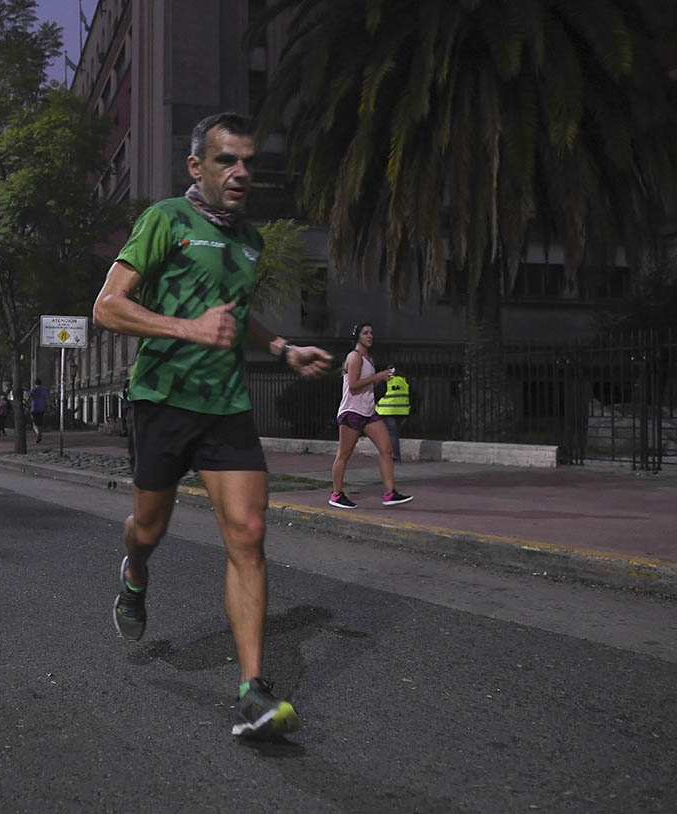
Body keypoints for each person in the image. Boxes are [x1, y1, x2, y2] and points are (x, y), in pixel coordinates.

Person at [93, 112, 333, 739]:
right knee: (150, 528)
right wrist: (187, 329)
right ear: (197, 167)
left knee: (249, 534)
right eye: (227, 160)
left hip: (225, 406)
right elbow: (108, 306)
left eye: (249, 160)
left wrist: (281, 348)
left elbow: (239, 315)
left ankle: (253, 692)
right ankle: (135, 573)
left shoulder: (250, 241)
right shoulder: (167, 220)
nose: (242, 172)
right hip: (162, 400)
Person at [330, 323, 413, 508]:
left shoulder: (369, 358)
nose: (370, 336)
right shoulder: (355, 357)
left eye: (371, 333)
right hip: (352, 412)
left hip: (368, 412)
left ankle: (390, 493)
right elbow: (353, 385)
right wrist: (377, 377)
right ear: (357, 336)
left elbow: (366, 386)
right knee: (344, 454)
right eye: (365, 333)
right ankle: (336, 495)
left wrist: (381, 379)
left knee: (386, 448)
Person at [375, 367, 411, 462]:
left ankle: (394, 455)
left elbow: (376, 395)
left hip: (387, 411)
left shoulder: (386, 382)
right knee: (394, 434)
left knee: (390, 434)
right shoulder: (403, 381)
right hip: (402, 412)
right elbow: (413, 396)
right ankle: (392, 454)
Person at [27, 378, 48, 443]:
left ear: (35, 383)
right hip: (42, 408)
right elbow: (47, 399)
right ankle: (39, 433)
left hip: (35, 408)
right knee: (40, 423)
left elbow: (29, 397)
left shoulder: (33, 390)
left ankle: (38, 433)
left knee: (34, 423)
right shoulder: (44, 391)